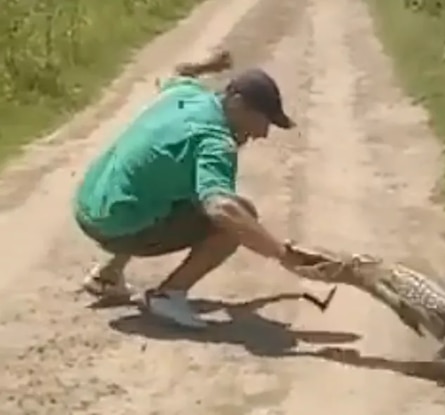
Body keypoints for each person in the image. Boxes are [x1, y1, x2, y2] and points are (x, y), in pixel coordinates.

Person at [73, 49, 301, 329]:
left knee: (170, 182)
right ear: (237, 102)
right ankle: (168, 295)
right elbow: (223, 209)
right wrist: (281, 253)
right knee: (239, 216)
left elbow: (178, 73)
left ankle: (107, 276)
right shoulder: (215, 141)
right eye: (262, 120)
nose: (263, 133)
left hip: (89, 202)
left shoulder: (189, 96)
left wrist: (208, 65)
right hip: (114, 225)